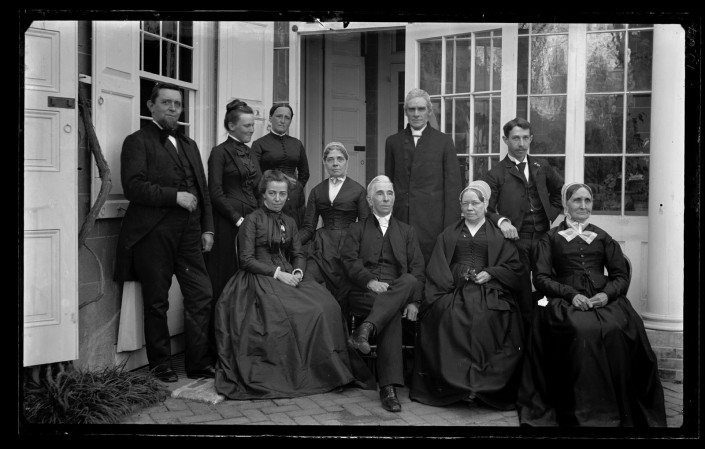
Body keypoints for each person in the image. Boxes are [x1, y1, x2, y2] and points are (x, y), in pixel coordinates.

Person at [516, 183, 666, 427]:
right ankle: (584, 408)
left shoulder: (603, 237)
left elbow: (620, 276)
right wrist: (570, 294)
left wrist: (606, 295)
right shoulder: (550, 238)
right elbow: (541, 278)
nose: (583, 206)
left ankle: (619, 405)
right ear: (566, 204)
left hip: (602, 297)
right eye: (577, 200)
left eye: (588, 200)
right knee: (580, 329)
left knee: (619, 327)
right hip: (564, 299)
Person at [213, 170, 370, 399]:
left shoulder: (289, 221)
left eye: (282, 194)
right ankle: (295, 372)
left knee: (326, 305)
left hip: (288, 273)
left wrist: (297, 270)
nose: (277, 198)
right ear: (263, 195)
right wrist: (277, 273)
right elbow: (246, 260)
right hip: (258, 278)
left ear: (288, 196)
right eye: (273, 193)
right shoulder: (252, 220)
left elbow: (298, 253)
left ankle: (323, 369)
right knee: (291, 312)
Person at [114, 82, 215, 382]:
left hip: (189, 233)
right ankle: (161, 364)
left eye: (177, 104)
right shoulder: (137, 141)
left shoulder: (190, 145)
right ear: (151, 106)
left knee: (202, 293)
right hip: (153, 233)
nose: (173, 108)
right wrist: (175, 196)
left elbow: (203, 190)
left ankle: (197, 363)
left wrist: (207, 227)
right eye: (167, 103)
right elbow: (133, 186)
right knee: (157, 301)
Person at [409, 180, 526, 410]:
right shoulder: (448, 234)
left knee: (489, 318)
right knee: (448, 316)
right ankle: (456, 386)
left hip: (491, 291)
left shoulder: (499, 234)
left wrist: (491, 273)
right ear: (460, 206)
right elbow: (438, 267)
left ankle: (482, 388)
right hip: (455, 289)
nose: (470, 208)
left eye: (475, 203)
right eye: (465, 204)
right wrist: (457, 276)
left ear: (485, 205)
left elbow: (515, 267)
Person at [341, 175, 426, 413]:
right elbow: (348, 262)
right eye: (380, 193)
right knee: (389, 315)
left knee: (407, 280)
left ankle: (365, 329)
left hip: (397, 291)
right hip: (364, 293)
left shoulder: (407, 231)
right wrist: (369, 281)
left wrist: (414, 302)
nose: (386, 198)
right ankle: (388, 388)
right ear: (369, 200)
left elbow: (417, 269)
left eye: (389, 193)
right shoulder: (357, 229)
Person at [483, 117, 564, 331]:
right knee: (521, 287)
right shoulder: (497, 173)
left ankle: (543, 321)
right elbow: (487, 208)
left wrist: (551, 214)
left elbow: (560, 192)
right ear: (505, 140)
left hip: (542, 236)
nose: (521, 144)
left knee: (545, 283)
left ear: (531, 139)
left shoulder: (542, 166)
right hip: (516, 239)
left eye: (525, 138)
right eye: (516, 138)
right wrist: (502, 222)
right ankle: (524, 329)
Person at [384, 88, 463, 264]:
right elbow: (388, 186)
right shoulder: (393, 142)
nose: (416, 114)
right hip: (400, 219)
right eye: (411, 109)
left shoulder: (443, 142)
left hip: (433, 223)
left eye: (421, 109)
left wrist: (450, 228)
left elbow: (453, 187)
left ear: (429, 111)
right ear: (405, 112)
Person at [296, 142, 370, 307]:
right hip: (321, 246)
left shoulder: (358, 190)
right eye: (330, 160)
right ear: (325, 163)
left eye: (339, 159)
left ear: (346, 162)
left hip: (348, 246)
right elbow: (308, 227)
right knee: (308, 278)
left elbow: (366, 226)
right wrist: (291, 241)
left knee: (348, 285)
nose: (335, 163)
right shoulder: (316, 191)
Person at [251, 103, 310, 228]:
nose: (282, 121)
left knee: (293, 235)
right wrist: (267, 192)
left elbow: (305, 173)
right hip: (269, 197)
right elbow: (255, 174)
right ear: (270, 117)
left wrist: (296, 189)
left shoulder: (297, 144)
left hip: (294, 200)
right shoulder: (259, 144)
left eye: (287, 118)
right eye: (279, 116)